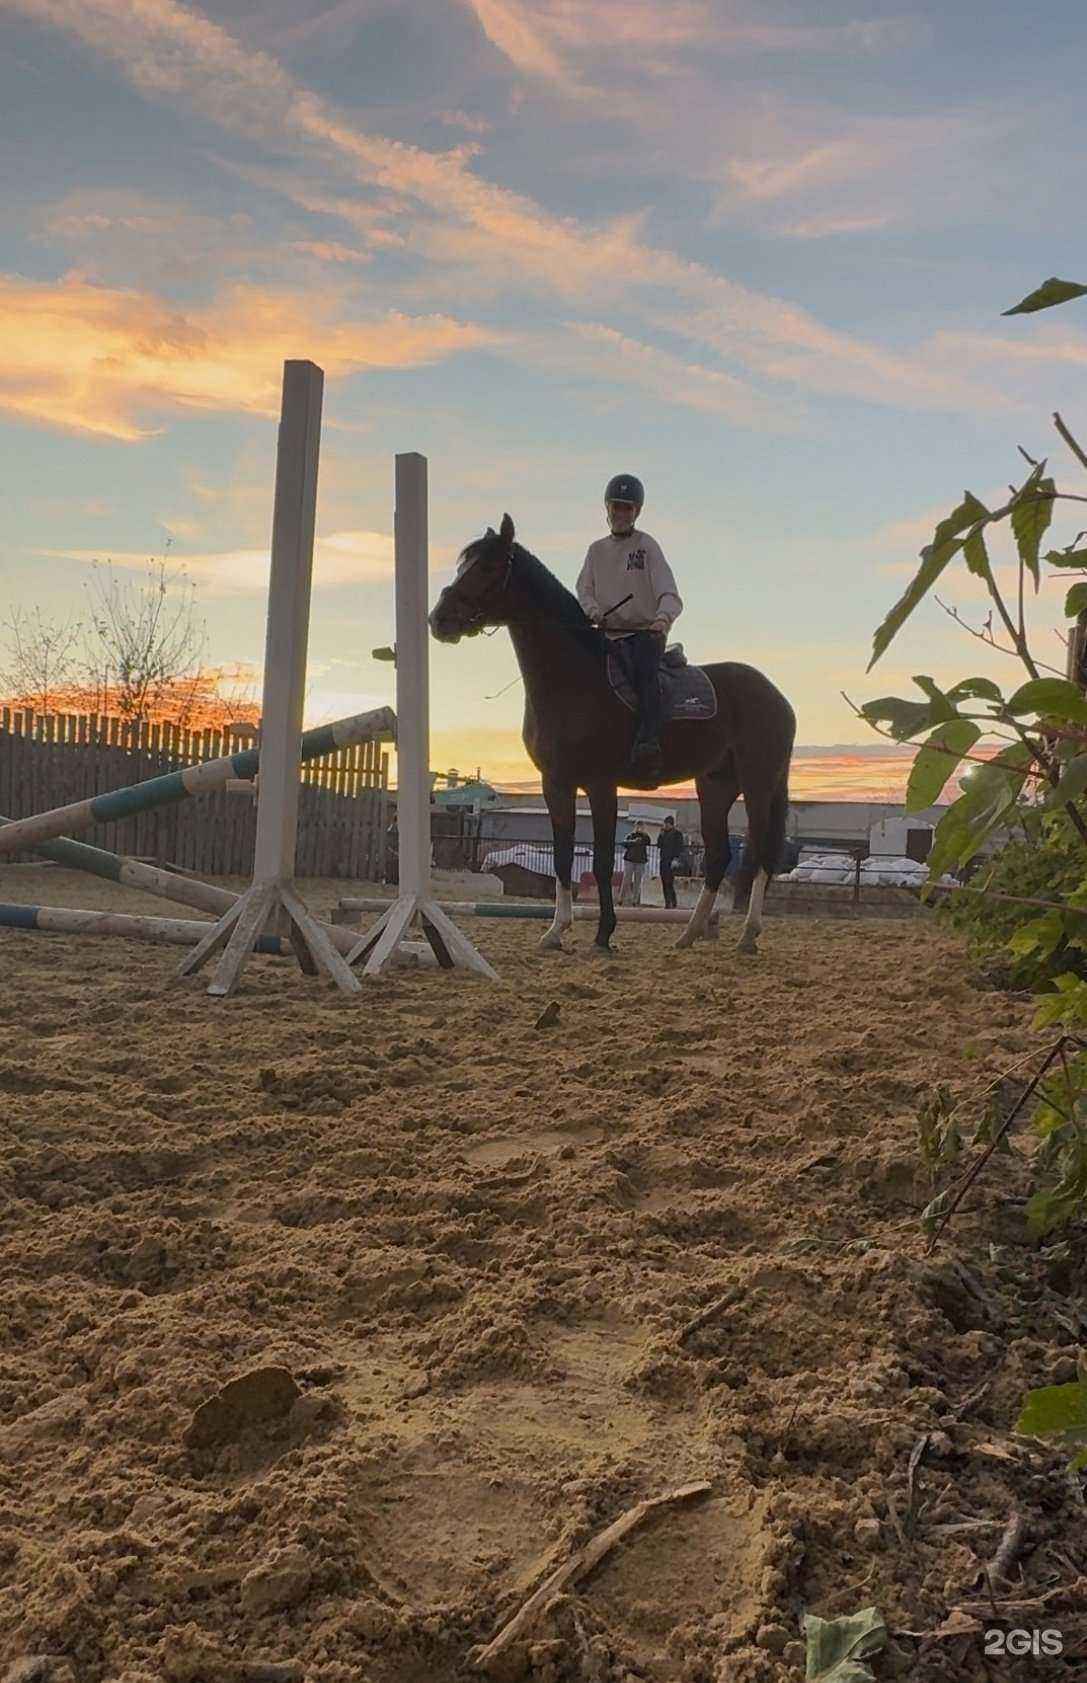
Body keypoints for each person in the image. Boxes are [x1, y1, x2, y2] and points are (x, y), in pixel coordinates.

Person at [576, 474, 683, 779]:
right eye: (616, 507)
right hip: (607, 632)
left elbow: (669, 591)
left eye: (627, 508)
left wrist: (662, 619)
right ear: (606, 509)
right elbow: (584, 589)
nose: (621, 513)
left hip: (644, 633)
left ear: (637, 512)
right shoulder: (595, 551)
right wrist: (594, 612)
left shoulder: (647, 546)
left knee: (644, 675)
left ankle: (648, 744)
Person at [657, 814, 687, 909]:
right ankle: (667, 902)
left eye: (667, 824)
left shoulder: (677, 834)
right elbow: (659, 845)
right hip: (663, 860)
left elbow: (680, 847)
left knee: (669, 882)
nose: (665, 826)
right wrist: (660, 836)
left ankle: (673, 902)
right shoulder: (663, 833)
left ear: (671, 824)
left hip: (671, 860)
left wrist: (676, 858)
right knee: (664, 882)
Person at [619, 823, 651, 905]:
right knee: (626, 879)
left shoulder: (645, 837)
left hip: (640, 861)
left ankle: (635, 900)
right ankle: (621, 898)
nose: (639, 828)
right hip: (629, 860)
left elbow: (648, 842)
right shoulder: (631, 835)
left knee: (638, 881)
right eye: (638, 826)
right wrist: (633, 841)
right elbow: (623, 843)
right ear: (635, 827)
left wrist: (644, 834)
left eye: (641, 827)